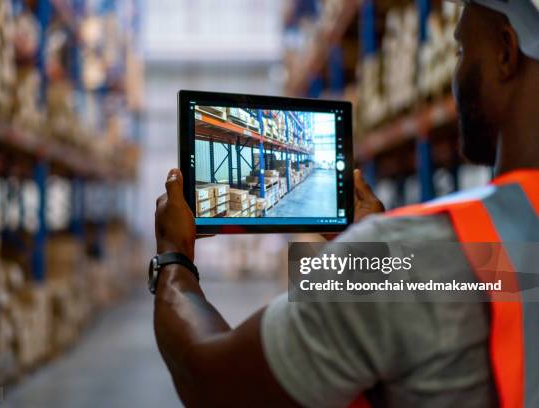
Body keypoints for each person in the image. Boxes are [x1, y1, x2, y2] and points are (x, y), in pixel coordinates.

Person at [153, 1, 539, 407]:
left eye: (460, 50)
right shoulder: (447, 256)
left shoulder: (415, 259)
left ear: (505, 52)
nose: (455, 75)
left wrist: (173, 256)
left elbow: (212, 383)